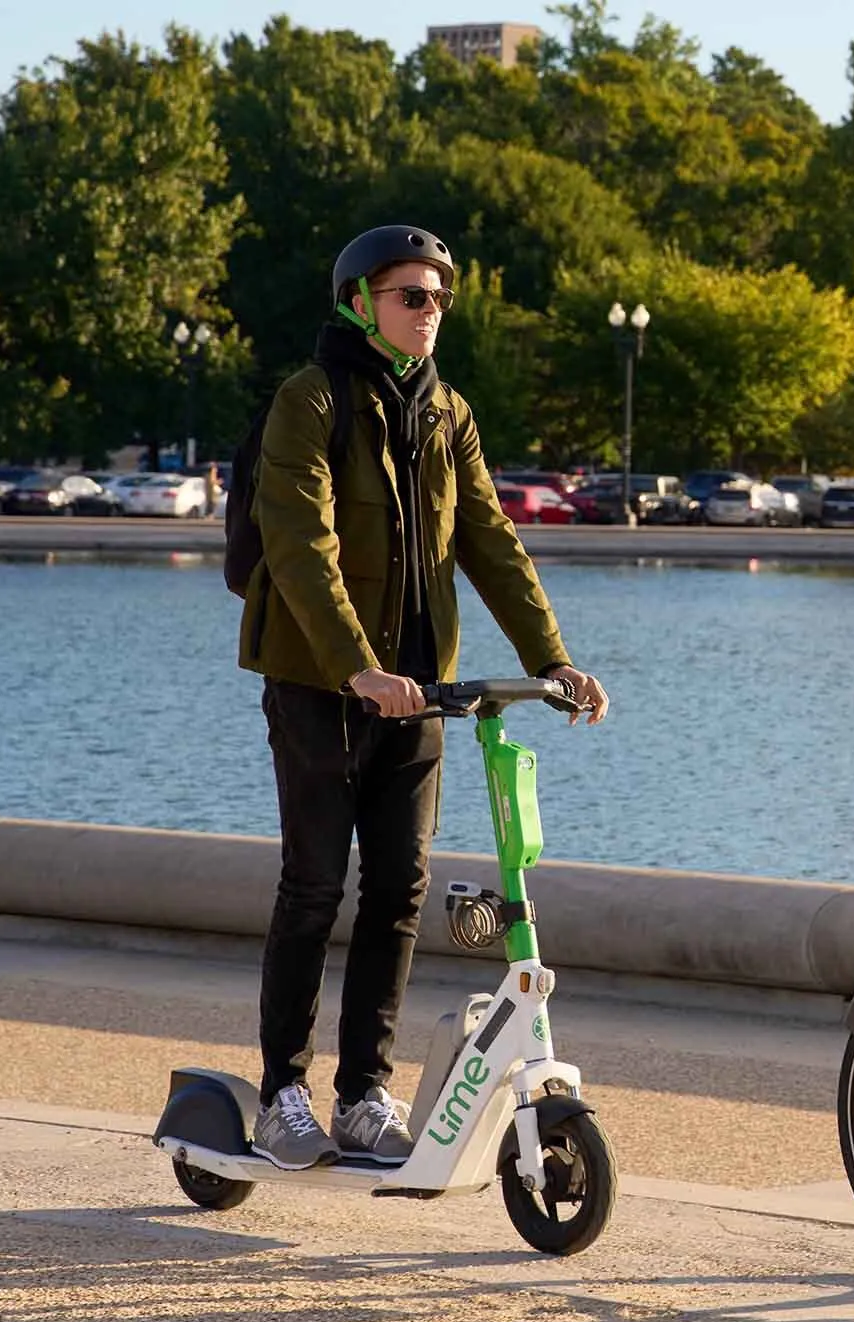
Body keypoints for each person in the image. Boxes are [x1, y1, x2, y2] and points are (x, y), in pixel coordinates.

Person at [236, 224, 611, 1170]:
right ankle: (283, 1088)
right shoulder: (309, 400)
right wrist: (356, 666)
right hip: (321, 685)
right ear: (361, 302)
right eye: (411, 295)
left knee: (400, 889)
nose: (429, 311)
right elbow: (301, 546)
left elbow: (489, 539)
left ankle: (364, 1092)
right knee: (314, 887)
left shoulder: (449, 411)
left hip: (421, 693)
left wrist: (553, 660)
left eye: (440, 297)